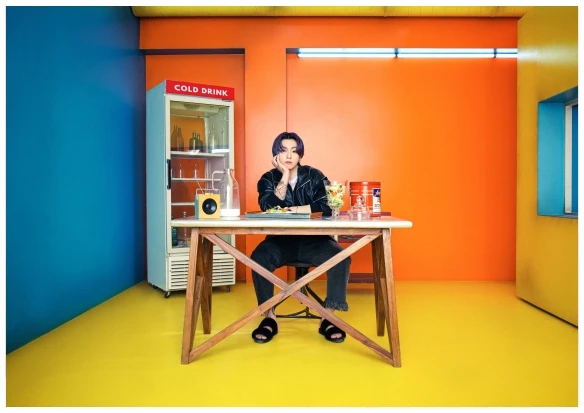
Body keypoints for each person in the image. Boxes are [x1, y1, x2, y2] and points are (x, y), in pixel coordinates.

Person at [250, 132, 351, 344]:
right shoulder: (267, 178)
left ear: (300, 154)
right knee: (259, 257)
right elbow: (268, 206)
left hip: (314, 240)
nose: (289, 155)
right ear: (276, 154)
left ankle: (328, 317)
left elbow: (326, 205)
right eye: (283, 150)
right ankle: (269, 317)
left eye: (294, 151)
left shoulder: (315, 175)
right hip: (280, 240)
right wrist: (284, 176)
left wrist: (293, 209)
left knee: (341, 257)